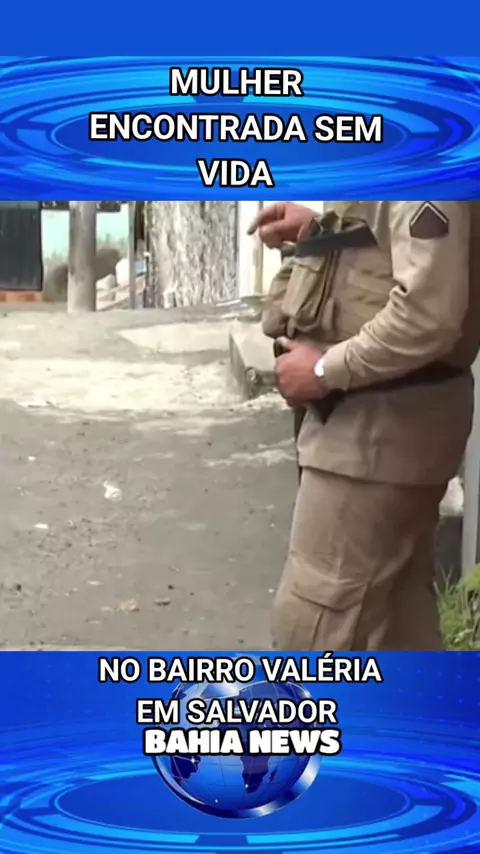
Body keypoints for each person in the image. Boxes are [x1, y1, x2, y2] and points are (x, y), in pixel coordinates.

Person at [249, 201, 480, 651]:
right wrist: (320, 233)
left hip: (378, 432)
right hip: (369, 426)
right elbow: (393, 252)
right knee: (395, 630)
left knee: (314, 631)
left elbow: (427, 313)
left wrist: (322, 372)